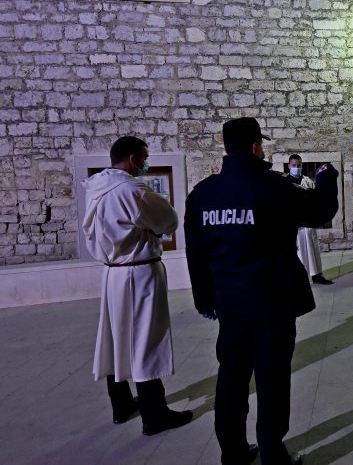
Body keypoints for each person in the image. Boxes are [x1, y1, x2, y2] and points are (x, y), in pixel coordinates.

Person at [184, 117, 339, 465]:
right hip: (272, 304)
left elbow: (195, 254)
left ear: (226, 147)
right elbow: (321, 210)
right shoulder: (274, 188)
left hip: (230, 306)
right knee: (271, 379)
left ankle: (234, 453)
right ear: (256, 147)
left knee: (231, 379)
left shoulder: (203, 194)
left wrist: (204, 300)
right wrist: (328, 180)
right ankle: (272, 454)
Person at [82, 136, 192, 436]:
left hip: (112, 272)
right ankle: (154, 415)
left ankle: (121, 404)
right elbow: (168, 221)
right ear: (132, 159)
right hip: (138, 272)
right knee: (146, 340)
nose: (146, 163)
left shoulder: (96, 187)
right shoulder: (131, 190)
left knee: (116, 338)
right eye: (144, 157)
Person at [288, 154, 333, 285]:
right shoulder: (284, 182)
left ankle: (317, 275)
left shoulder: (307, 181)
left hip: (308, 221)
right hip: (294, 224)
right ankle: (299, 279)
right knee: (297, 251)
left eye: (299, 165)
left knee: (312, 248)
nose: (297, 168)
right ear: (289, 165)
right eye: (294, 165)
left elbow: (316, 200)